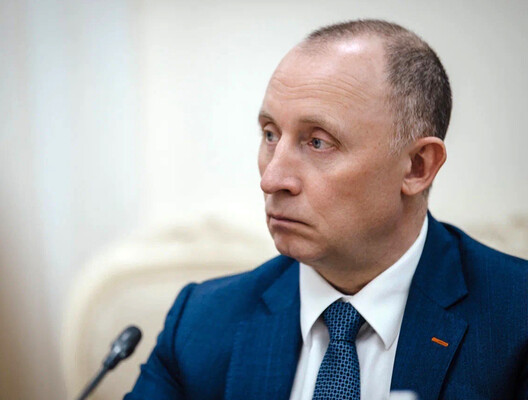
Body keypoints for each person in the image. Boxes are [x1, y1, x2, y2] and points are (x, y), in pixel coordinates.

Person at [125, 20, 528, 400]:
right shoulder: (201, 324)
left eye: (318, 142)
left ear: (417, 167)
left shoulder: (517, 319)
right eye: (270, 134)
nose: (272, 179)